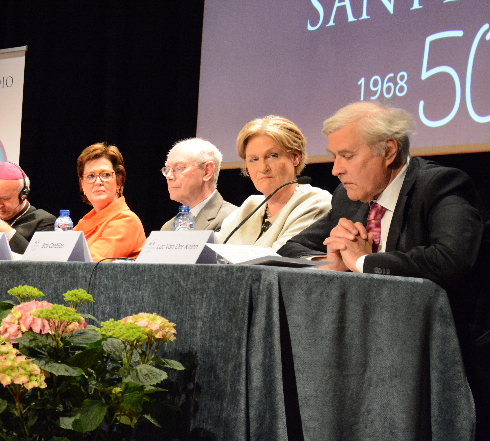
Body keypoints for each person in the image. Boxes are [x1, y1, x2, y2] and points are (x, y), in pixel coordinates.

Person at [277, 102, 490, 439]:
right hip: (364, 353)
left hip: (440, 359)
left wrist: (363, 263)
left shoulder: (441, 185)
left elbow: (450, 259)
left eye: (346, 155)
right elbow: (292, 248)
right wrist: (329, 262)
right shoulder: (349, 198)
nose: (335, 169)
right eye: (334, 156)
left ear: (388, 151)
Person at [215, 116, 331, 250]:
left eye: (272, 156)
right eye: (254, 159)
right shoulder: (250, 207)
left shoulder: (315, 203)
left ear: (295, 157)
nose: (263, 168)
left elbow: (284, 256)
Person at [73, 143, 146, 261]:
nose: (98, 182)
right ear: (82, 185)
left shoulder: (126, 220)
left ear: (118, 181)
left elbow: (89, 264)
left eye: (105, 175)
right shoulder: (84, 222)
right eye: (91, 176)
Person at [160, 138, 237, 231]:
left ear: (207, 171)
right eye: (167, 169)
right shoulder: (168, 228)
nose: (169, 176)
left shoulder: (233, 219)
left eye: (178, 167)